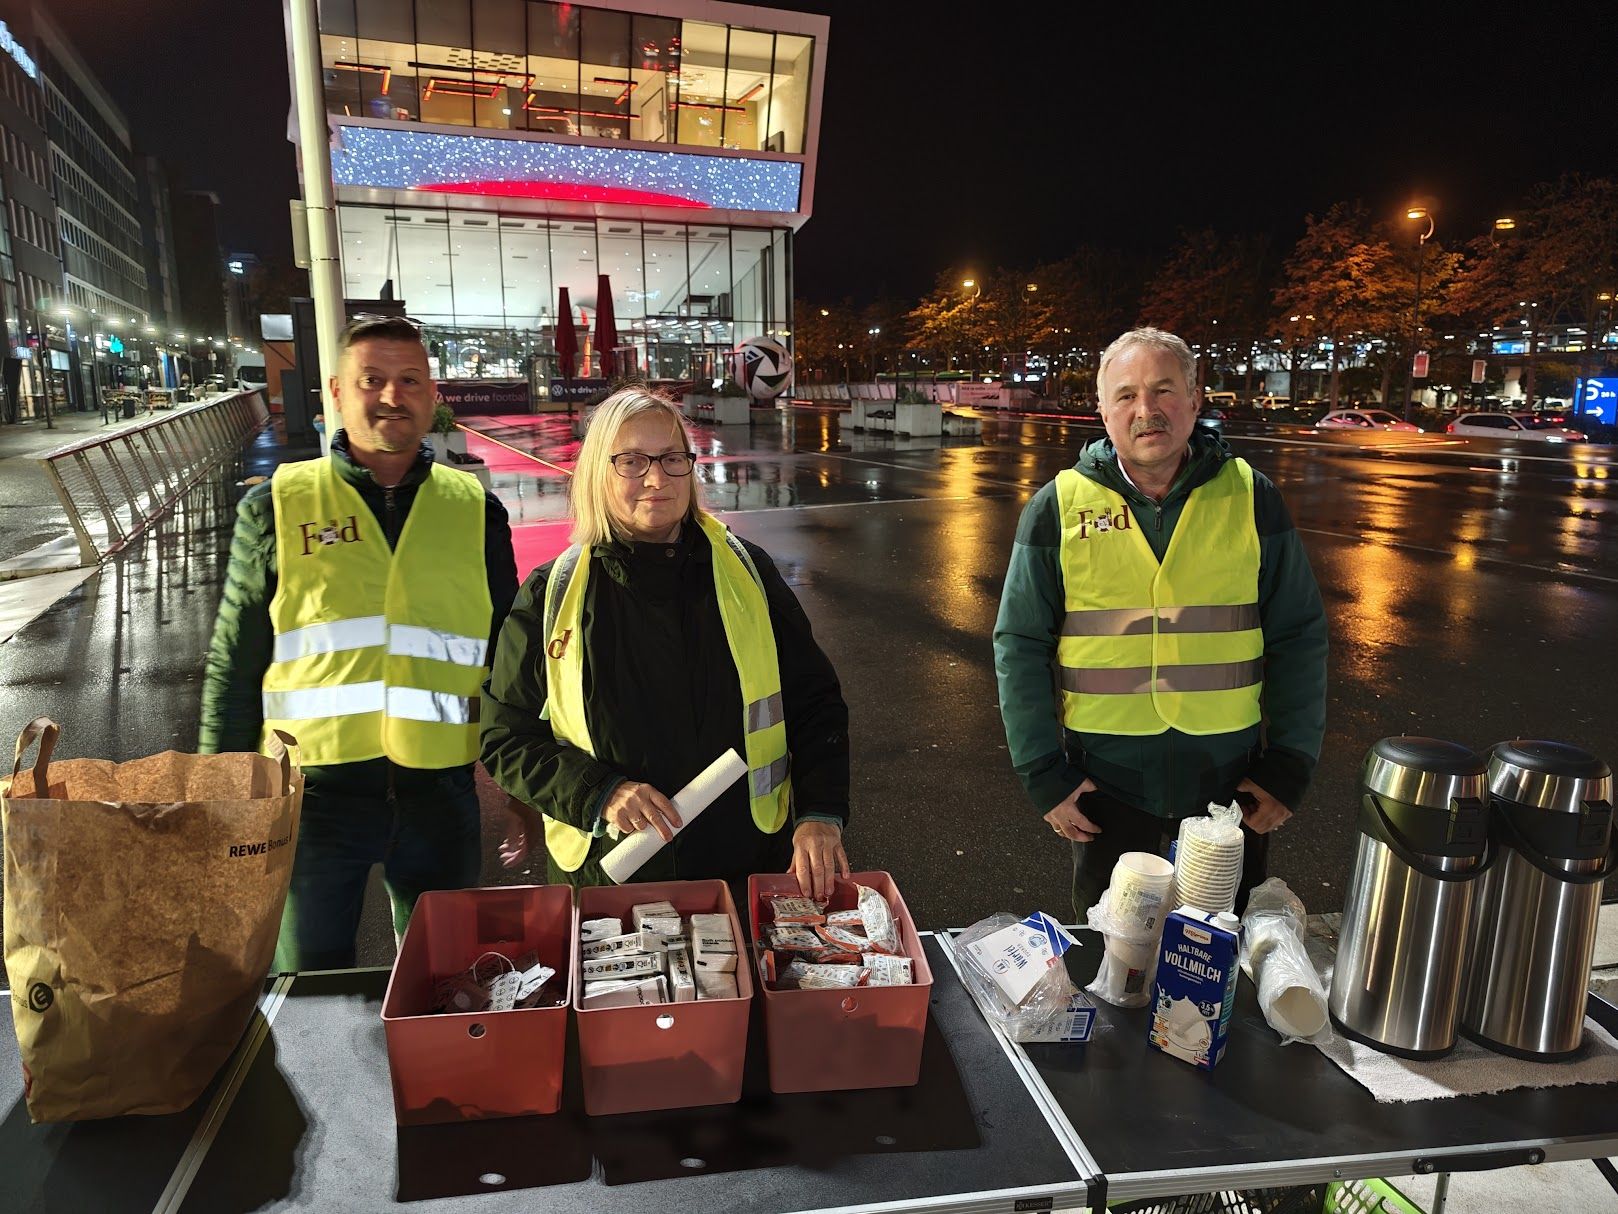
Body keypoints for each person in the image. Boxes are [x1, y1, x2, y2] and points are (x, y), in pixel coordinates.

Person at [199, 314, 518, 970]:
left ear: (433, 395)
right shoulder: (279, 505)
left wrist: (522, 793)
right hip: (314, 803)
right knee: (308, 996)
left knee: (447, 986)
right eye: (372, 379)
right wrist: (220, 802)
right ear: (337, 393)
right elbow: (236, 664)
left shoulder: (475, 509)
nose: (392, 396)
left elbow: (509, 666)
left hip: (442, 797)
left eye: (409, 380)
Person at [994, 327, 1327, 919]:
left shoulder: (1252, 497)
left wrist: (1289, 767)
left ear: (1195, 400)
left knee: (1218, 961)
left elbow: (1298, 635)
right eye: (1125, 395)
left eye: (1163, 390)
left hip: (1231, 786)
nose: (1145, 410)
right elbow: (1019, 645)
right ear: (1102, 410)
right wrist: (1044, 774)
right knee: (1113, 963)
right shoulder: (1058, 506)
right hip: (1106, 788)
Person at [480, 387, 851, 900]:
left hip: (742, 867)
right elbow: (507, 739)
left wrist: (820, 813)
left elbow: (815, 702)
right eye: (632, 461)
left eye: (672, 458)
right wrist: (599, 793)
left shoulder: (747, 573)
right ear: (597, 474)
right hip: (611, 877)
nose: (657, 478)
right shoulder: (552, 595)